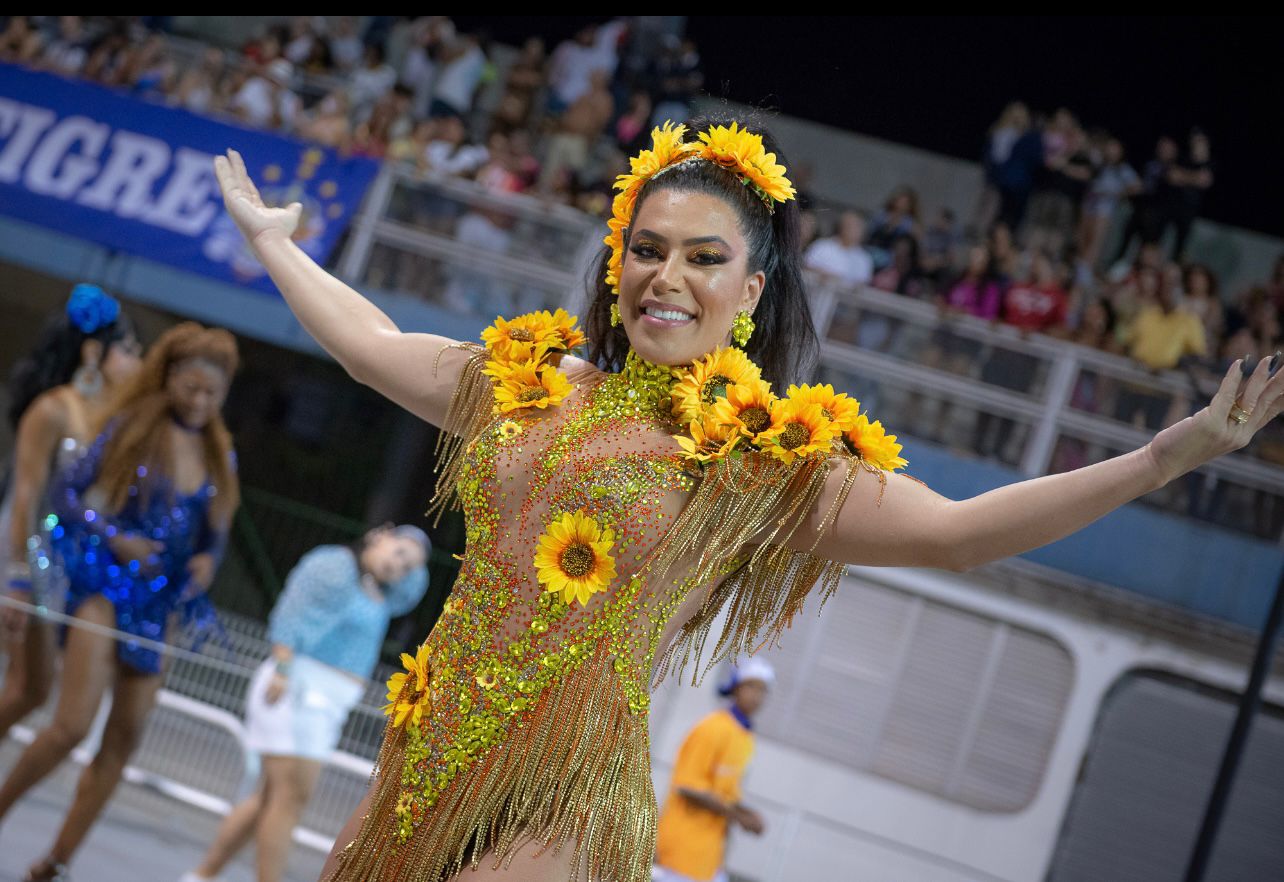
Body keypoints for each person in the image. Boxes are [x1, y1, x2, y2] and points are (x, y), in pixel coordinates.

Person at [212, 113, 1281, 882]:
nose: (666, 275)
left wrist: (1158, 462)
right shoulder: (525, 384)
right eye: (648, 249)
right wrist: (274, 245)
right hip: (423, 746)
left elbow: (956, 535)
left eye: (703, 257)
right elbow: (374, 346)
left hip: (563, 789)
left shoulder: (754, 459)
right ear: (616, 266)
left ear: (750, 292)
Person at [0, 323, 240, 882]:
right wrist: (113, 536)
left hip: (162, 607)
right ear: (169, 379)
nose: (200, 402)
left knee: (124, 737)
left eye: (212, 393)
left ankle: (55, 863)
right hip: (104, 588)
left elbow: (216, 534)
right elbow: (67, 495)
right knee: (71, 725)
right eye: (190, 388)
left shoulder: (219, 452)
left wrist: (208, 563)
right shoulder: (133, 426)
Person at [181, 525, 430, 882]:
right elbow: (290, 612)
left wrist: (413, 551)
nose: (401, 566)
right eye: (400, 553)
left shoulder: (383, 592)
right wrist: (282, 667)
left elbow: (412, 592)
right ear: (379, 535)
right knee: (291, 799)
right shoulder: (335, 564)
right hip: (295, 688)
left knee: (270, 798)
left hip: (326, 703)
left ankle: (202, 876)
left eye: (410, 566)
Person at [0, 285, 142, 744]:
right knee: (27, 686)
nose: (137, 360)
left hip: (59, 561)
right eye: (128, 349)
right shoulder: (52, 409)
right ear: (92, 352)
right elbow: (24, 494)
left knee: (33, 689)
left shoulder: (113, 417)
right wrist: (20, 579)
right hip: (22, 550)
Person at [654, 658, 773, 882]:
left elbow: (724, 792)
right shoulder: (713, 728)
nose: (757, 695)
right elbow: (687, 787)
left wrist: (747, 813)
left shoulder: (744, 736)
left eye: (763, 690)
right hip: (681, 855)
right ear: (735, 688)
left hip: (709, 860)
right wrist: (737, 816)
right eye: (751, 686)